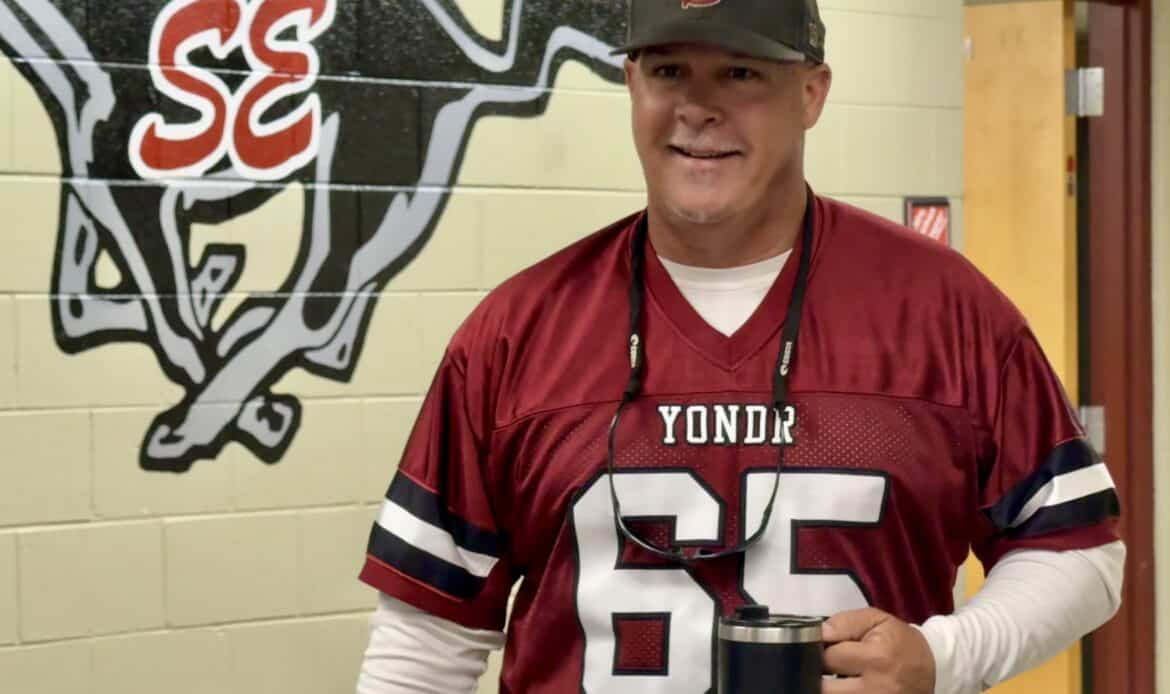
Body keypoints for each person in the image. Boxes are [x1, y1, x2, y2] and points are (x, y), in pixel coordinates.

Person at [355, 2, 1126, 693]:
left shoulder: (948, 311)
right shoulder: (514, 333)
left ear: (811, 93)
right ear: (631, 83)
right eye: (668, 71)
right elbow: (425, 641)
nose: (698, 108)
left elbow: (1079, 552)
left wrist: (946, 657)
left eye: (740, 72)